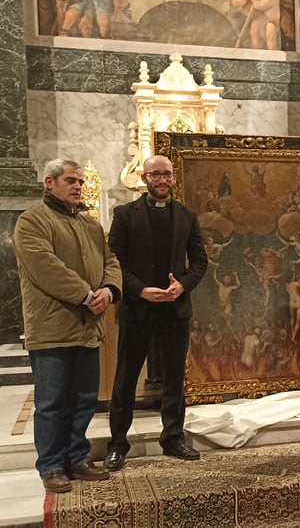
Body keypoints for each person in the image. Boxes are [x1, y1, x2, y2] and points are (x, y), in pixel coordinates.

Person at [12, 159, 122, 493]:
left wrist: (109, 291)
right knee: (51, 402)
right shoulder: (32, 221)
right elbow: (45, 267)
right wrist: (86, 294)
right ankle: (51, 465)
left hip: (88, 328)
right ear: (50, 182)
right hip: (52, 328)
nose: (78, 186)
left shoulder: (89, 225)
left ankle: (77, 458)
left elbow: (111, 262)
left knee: (84, 399)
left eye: (80, 181)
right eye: (71, 180)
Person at [104, 154, 208, 471]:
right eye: (155, 175)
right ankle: (117, 444)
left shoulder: (187, 216)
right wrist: (139, 289)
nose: (162, 180)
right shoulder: (124, 214)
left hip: (174, 309)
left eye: (167, 174)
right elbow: (113, 261)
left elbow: (200, 261)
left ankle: (173, 439)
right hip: (137, 309)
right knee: (125, 379)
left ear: (173, 178)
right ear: (144, 178)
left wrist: (183, 286)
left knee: (174, 378)